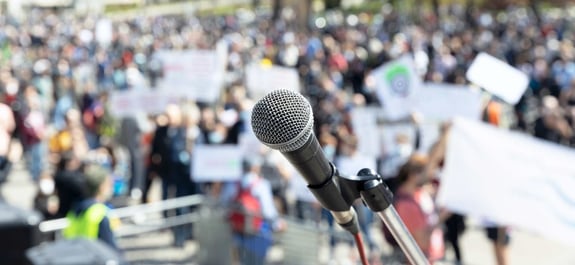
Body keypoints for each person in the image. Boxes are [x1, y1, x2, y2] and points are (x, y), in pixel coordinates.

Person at [385, 154, 445, 264]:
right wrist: (442, 217)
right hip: (419, 260)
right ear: (413, 175)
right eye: (425, 172)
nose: (430, 175)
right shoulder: (406, 205)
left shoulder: (419, 192)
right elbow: (422, 242)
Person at [232, 157, 286, 265]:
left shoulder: (236, 182)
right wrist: (277, 224)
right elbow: (268, 211)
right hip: (259, 231)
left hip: (239, 229)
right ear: (255, 168)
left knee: (243, 260)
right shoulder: (261, 184)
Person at [63, 164, 118, 250]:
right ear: (102, 186)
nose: (112, 186)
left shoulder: (75, 209)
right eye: (110, 184)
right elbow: (111, 248)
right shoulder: (100, 213)